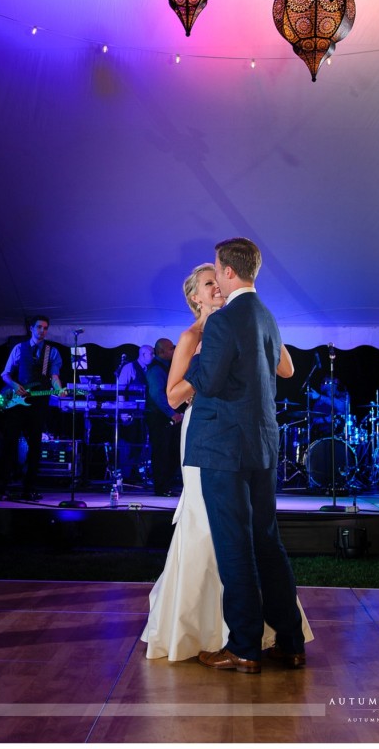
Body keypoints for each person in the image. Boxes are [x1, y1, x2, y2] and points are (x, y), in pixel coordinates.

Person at [141, 262, 313, 662]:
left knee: (249, 538)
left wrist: (249, 348)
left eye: (217, 280)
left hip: (242, 440)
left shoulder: (247, 321)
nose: (216, 286)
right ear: (195, 298)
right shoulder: (191, 336)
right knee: (211, 532)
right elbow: (172, 397)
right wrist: (209, 363)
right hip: (208, 439)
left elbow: (285, 367)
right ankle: (208, 627)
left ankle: (252, 638)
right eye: (208, 284)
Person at [183, 238, 306, 674]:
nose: (215, 276)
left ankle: (244, 647)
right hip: (262, 446)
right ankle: (290, 641)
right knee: (267, 543)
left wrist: (193, 364)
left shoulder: (223, 321)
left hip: (224, 449)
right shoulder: (267, 317)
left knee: (235, 546)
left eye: (217, 269)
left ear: (229, 272)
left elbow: (208, 383)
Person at [0, 315, 63, 500]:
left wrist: (59, 390)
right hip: (17, 403)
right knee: (9, 443)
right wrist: (15, 386)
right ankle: (2, 486)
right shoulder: (19, 348)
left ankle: (29, 488)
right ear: (31, 328)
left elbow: (54, 377)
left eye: (45, 328)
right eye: (39, 327)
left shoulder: (52, 352)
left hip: (38, 404)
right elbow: (5, 374)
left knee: (35, 446)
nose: (42, 330)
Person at [145, 337, 182, 495]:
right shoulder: (156, 369)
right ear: (161, 352)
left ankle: (167, 485)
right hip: (159, 418)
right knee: (162, 453)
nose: (174, 350)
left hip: (167, 417)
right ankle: (161, 487)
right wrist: (172, 413)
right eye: (171, 348)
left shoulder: (166, 367)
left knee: (172, 452)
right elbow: (157, 394)